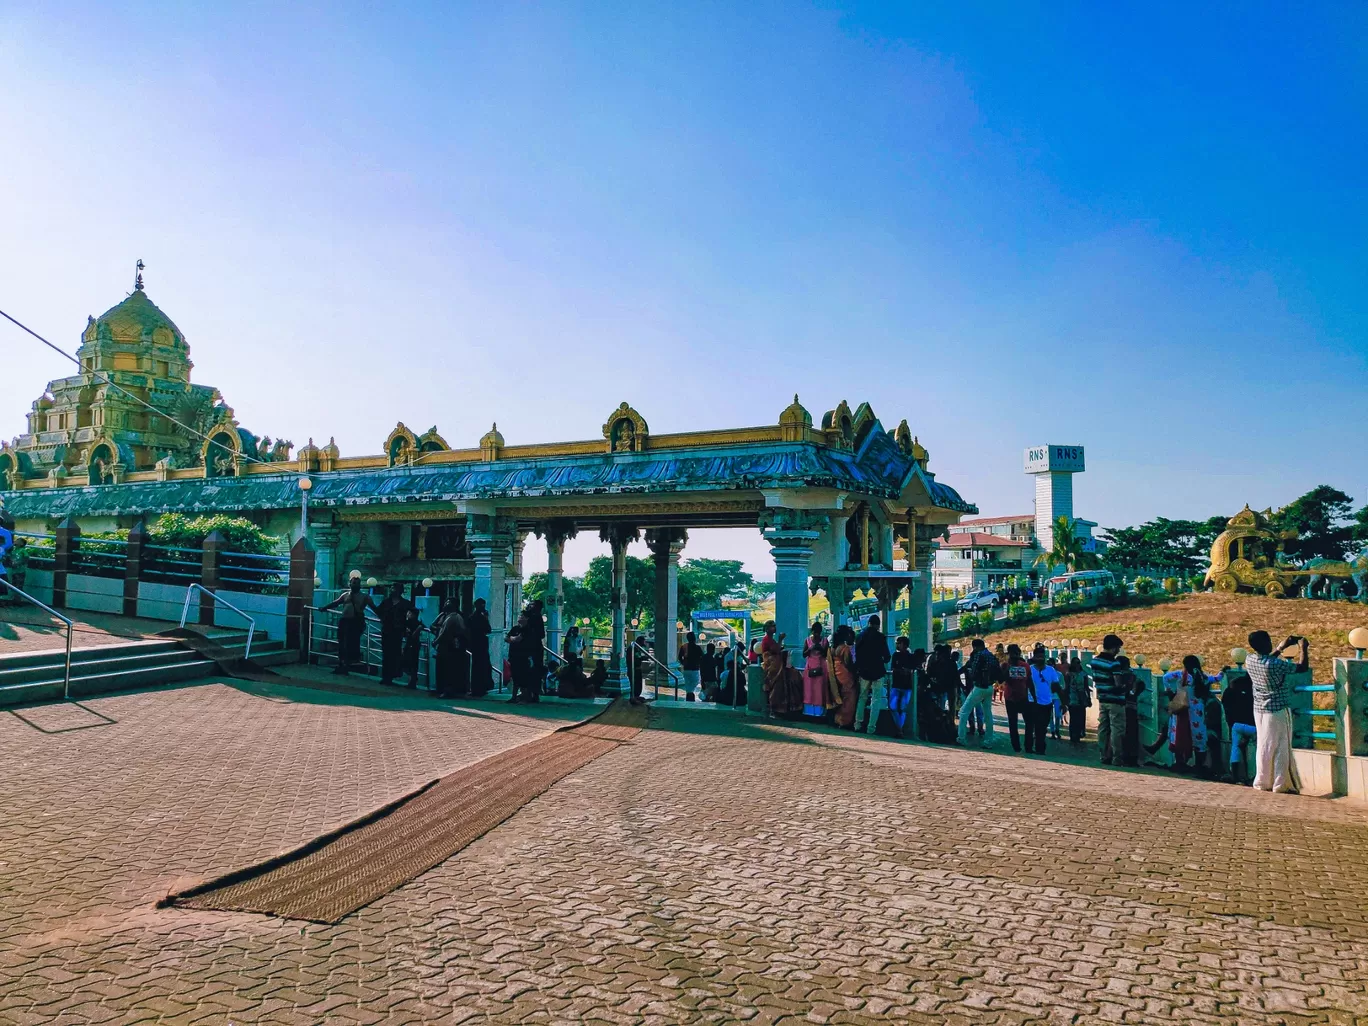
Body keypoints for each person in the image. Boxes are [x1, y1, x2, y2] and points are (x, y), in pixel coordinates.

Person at [1245, 631, 1307, 794]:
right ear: (1265, 643)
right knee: (1281, 746)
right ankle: (1281, 784)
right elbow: (1302, 668)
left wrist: (1281, 647)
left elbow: (1267, 660)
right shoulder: (1275, 665)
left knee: (1264, 745)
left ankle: (1262, 780)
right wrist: (1303, 648)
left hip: (1259, 709)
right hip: (1278, 709)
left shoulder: (1249, 660)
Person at [322, 578, 377, 675]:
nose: (355, 585)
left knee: (350, 644)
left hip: (355, 622)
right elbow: (336, 603)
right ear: (349, 584)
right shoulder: (345, 595)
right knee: (342, 643)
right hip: (344, 621)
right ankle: (341, 664)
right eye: (353, 583)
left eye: (357, 583)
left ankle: (346, 665)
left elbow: (374, 608)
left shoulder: (365, 597)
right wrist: (324, 608)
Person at [1091, 634, 1127, 765]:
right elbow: (1118, 684)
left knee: (1103, 728)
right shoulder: (1114, 663)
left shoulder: (1095, 661)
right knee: (1117, 730)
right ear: (1113, 648)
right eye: (1117, 648)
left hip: (1102, 698)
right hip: (1115, 700)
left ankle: (1103, 755)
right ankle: (1117, 758)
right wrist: (1126, 686)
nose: (1118, 651)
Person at [957, 638, 999, 748]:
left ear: (975, 646)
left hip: (979, 687)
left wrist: (971, 675)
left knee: (963, 711)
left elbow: (974, 671)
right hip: (990, 687)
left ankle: (961, 738)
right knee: (988, 714)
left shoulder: (978, 655)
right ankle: (989, 740)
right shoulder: (991, 655)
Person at [854, 615, 891, 734]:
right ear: (878, 625)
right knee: (876, 699)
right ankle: (871, 727)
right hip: (877, 671)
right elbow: (886, 657)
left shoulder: (860, 636)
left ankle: (857, 724)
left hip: (863, 671)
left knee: (862, 697)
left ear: (868, 623)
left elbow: (857, 655)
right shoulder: (881, 637)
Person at [759, 621, 801, 717]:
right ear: (767, 629)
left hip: (777, 665)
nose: (774, 628)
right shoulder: (767, 640)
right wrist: (780, 640)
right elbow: (775, 650)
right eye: (772, 626)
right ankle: (774, 709)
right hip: (773, 667)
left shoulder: (770, 639)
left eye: (774, 626)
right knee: (776, 687)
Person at [1222, 670, 1257, 785]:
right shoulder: (1256, 688)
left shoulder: (1233, 686)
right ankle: (1253, 776)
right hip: (1253, 726)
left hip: (1236, 725)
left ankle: (1235, 775)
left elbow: (1226, 705)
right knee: (1257, 747)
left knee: (1235, 747)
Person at [376, 582, 415, 686]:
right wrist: (383, 619)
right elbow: (378, 611)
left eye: (395, 589)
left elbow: (413, 613)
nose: (393, 590)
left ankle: (393, 674)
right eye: (392, 588)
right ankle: (386, 677)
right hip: (386, 630)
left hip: (398, 631)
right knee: (386, 654)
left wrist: (407, 624)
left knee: (396, 653)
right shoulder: (386, 602)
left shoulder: (405, 603)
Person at [431, 598, 468, 697]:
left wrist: (435, 642)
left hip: (449, 647)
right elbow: (434, 626)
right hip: (447, 647)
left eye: (448, 602)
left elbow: (444, 633)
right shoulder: (447, 616)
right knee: (443, 669)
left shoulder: (454, 617)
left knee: (447, 670)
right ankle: (442, 689)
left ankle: (447, 690)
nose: (446, 603)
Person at [1027, 645, 1059, 755]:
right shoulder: (1030, 670)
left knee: (1043, 726)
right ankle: (1032, 747)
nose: (1041, 659)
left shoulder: (1051, 670)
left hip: (1047, 703)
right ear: (1034, 657)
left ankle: (1040, 747)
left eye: (1042, 656)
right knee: (1033, 725)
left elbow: (1056, 685)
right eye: (1038, 656)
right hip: (1032, 702)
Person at [1000, 644, 1032, 753]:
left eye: (1017, 653)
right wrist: (1008, 667)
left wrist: (1034, 697)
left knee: (1029, 722)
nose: (1015, 656)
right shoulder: (1005, 665)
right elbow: (1001, 680)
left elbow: (1029, 682)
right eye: (1013, 654)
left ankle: (1028, 746)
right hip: (1010, 698)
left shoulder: (1025, 666)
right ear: (1008, 654)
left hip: (1023, 697)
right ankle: (1016, 747)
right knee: (1013, 723)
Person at [887, 639, 921, 739]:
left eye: (899, 643)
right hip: (896, 684)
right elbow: (894, 668)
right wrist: (904, 671)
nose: (897, 645)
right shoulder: (895, 655)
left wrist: (906, 671)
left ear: (904, 644)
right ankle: (899, 729)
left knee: (902, 708)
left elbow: (914, 669)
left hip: (907, 686)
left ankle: (899, 730)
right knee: (893, 707)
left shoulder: (911, 657)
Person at [829, 625, 860, 729]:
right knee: (849, 699)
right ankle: (844, 722)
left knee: (839, 698)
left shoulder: (833, 648)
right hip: (845, 675)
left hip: (836, 673)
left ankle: (837, 719)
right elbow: (848, 663)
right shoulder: (845, 649)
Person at [801, 622, 831, 718]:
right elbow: (804, 654)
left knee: (820, 690)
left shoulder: (825, 641)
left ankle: (819, 712)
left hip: (821, 668)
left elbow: (826, 654)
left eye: (818, 632)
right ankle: (809, 711)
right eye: (815, 632)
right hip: (810, 667)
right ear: (812, 631)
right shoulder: (807, 640)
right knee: (809, 690)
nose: (817, 634)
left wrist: (820, 649)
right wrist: (811, 649)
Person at [467, 598, 493, 695]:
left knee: (478, 666)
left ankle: (477, 688)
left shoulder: (471, 617)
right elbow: (488, 629)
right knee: (481, 666)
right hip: (480, 643)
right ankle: (480, 688)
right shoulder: (480, 617)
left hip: (476, 644)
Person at [1065, 656, 1091, 746]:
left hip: (1082, 698)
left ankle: (1079, 734)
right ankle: (1073, 735)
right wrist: (1065, 699)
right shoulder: (1069, 674)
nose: (1077, 664)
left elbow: (1086, 687)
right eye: (1076, 662)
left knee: (1081, 717)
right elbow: (1067, 687)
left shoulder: (1083, 674)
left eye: (1078, 662)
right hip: (1072, 698)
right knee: (1073, 718)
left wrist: (1089, 698)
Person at [400, 607, 424, 688]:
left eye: (409, 613)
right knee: (411, 663)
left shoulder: (413, 623)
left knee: (409, 662)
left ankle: (412, 680)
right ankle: (412, 680)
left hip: (412, 644)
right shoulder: (414, 623)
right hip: (411, 644)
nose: (408, 614)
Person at [679, 631, 703, 699]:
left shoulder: (683, 646)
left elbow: (679, 657)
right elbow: (702, 657)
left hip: (686, 668)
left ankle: (689, 696)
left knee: (687, 683)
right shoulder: (697, 647)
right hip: (695, 669)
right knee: (695, 682)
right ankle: (690, 695)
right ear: (694, 638)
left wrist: (683, 663)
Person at [3, 537, 27, 604]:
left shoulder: (23, 550)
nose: (15, 541)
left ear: (22, 543)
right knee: (14, 585)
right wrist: (12, 544)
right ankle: (15, 599)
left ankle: (18, 600)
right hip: (14, 571)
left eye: (17, 540)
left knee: (19, 585)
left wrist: (19, 563)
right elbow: (7, 551)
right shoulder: (14, 550)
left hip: (20, 571)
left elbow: (26, 558)